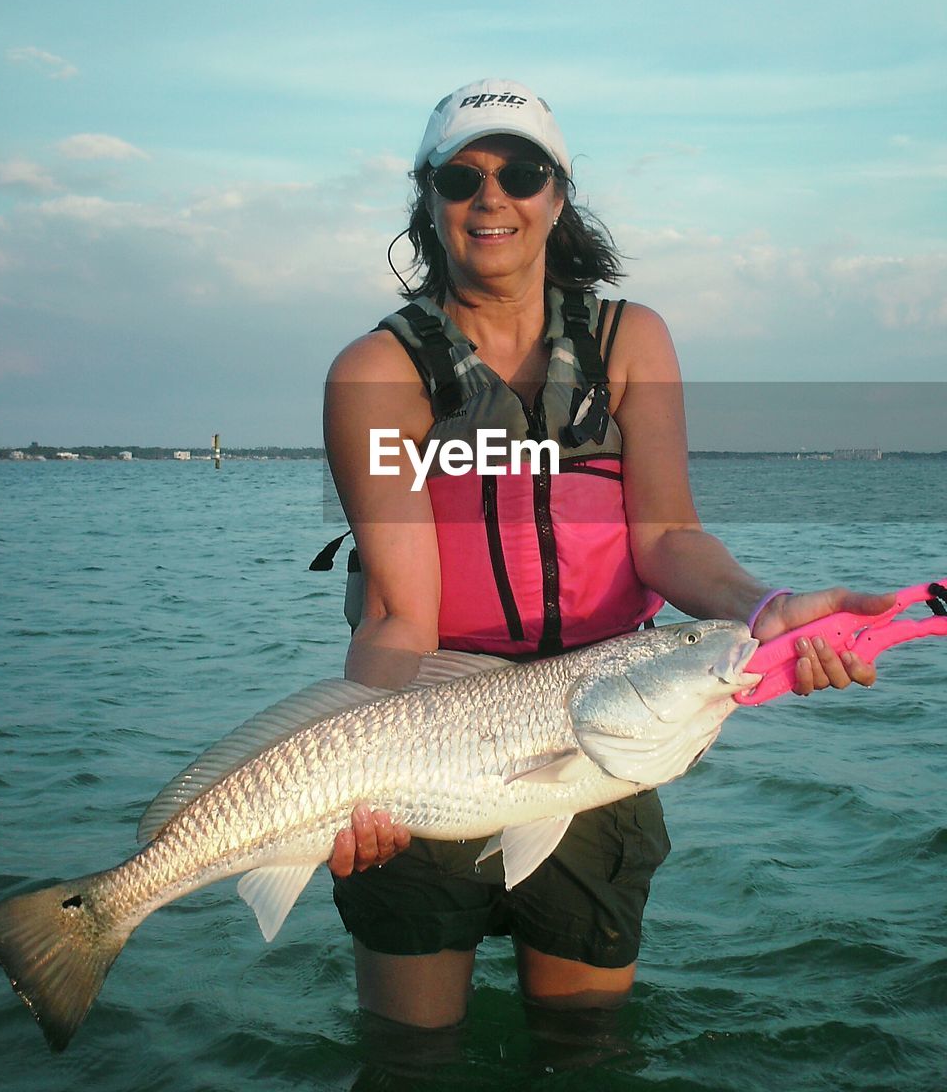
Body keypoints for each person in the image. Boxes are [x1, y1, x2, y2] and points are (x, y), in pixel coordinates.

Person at [322, 78, 891, 1030]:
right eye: (462, 177)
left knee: (585, 1048)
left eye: (523, 173)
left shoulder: (633, 340)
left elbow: (667, 534)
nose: (491, 197)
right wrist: (356, 779)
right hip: (431, 727)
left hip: (608, 731)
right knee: (407, 1057)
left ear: (559, 194)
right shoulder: (376, 374)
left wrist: (764, 610)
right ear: (428, 201)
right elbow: (398, 613)